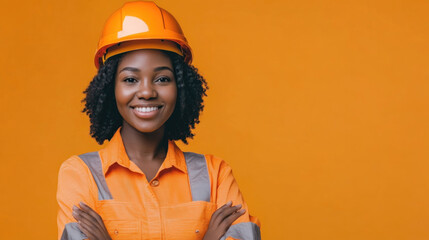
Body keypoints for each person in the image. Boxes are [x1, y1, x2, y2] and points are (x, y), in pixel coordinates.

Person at [56, 1, 261, 239]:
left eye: (162, 79)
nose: (147, 92)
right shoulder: (80, 174)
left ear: (181, 87)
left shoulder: (216, 175)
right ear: (109, 87)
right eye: (130, 79)